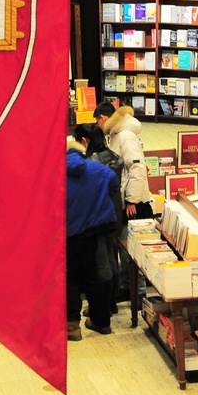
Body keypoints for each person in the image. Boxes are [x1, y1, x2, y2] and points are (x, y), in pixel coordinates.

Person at [66, 139, 119, 339]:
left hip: (68, 234)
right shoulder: (97, 169)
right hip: (95, 232)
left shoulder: (55, 172)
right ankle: (100, 321)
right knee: (95, 277)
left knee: (70, 280)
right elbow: (114, 185)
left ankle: (72, 327)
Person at [73, 123, 124, 314]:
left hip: (97, 218)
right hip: (114, 214)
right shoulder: (114, 158)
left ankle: (101, 307)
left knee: (100, 262)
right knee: (112, 258)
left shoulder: (90, 166)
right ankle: (112, 302)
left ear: (84, 141)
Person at [104, 105, 153, 302]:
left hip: (131, 203)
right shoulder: (117, 135)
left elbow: (137, 168)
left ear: (104, 118)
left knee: (131, 248)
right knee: (125, 246)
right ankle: (127, 287)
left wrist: (131, 200)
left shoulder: (125, 136)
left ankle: (138, 291)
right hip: (123, 200)